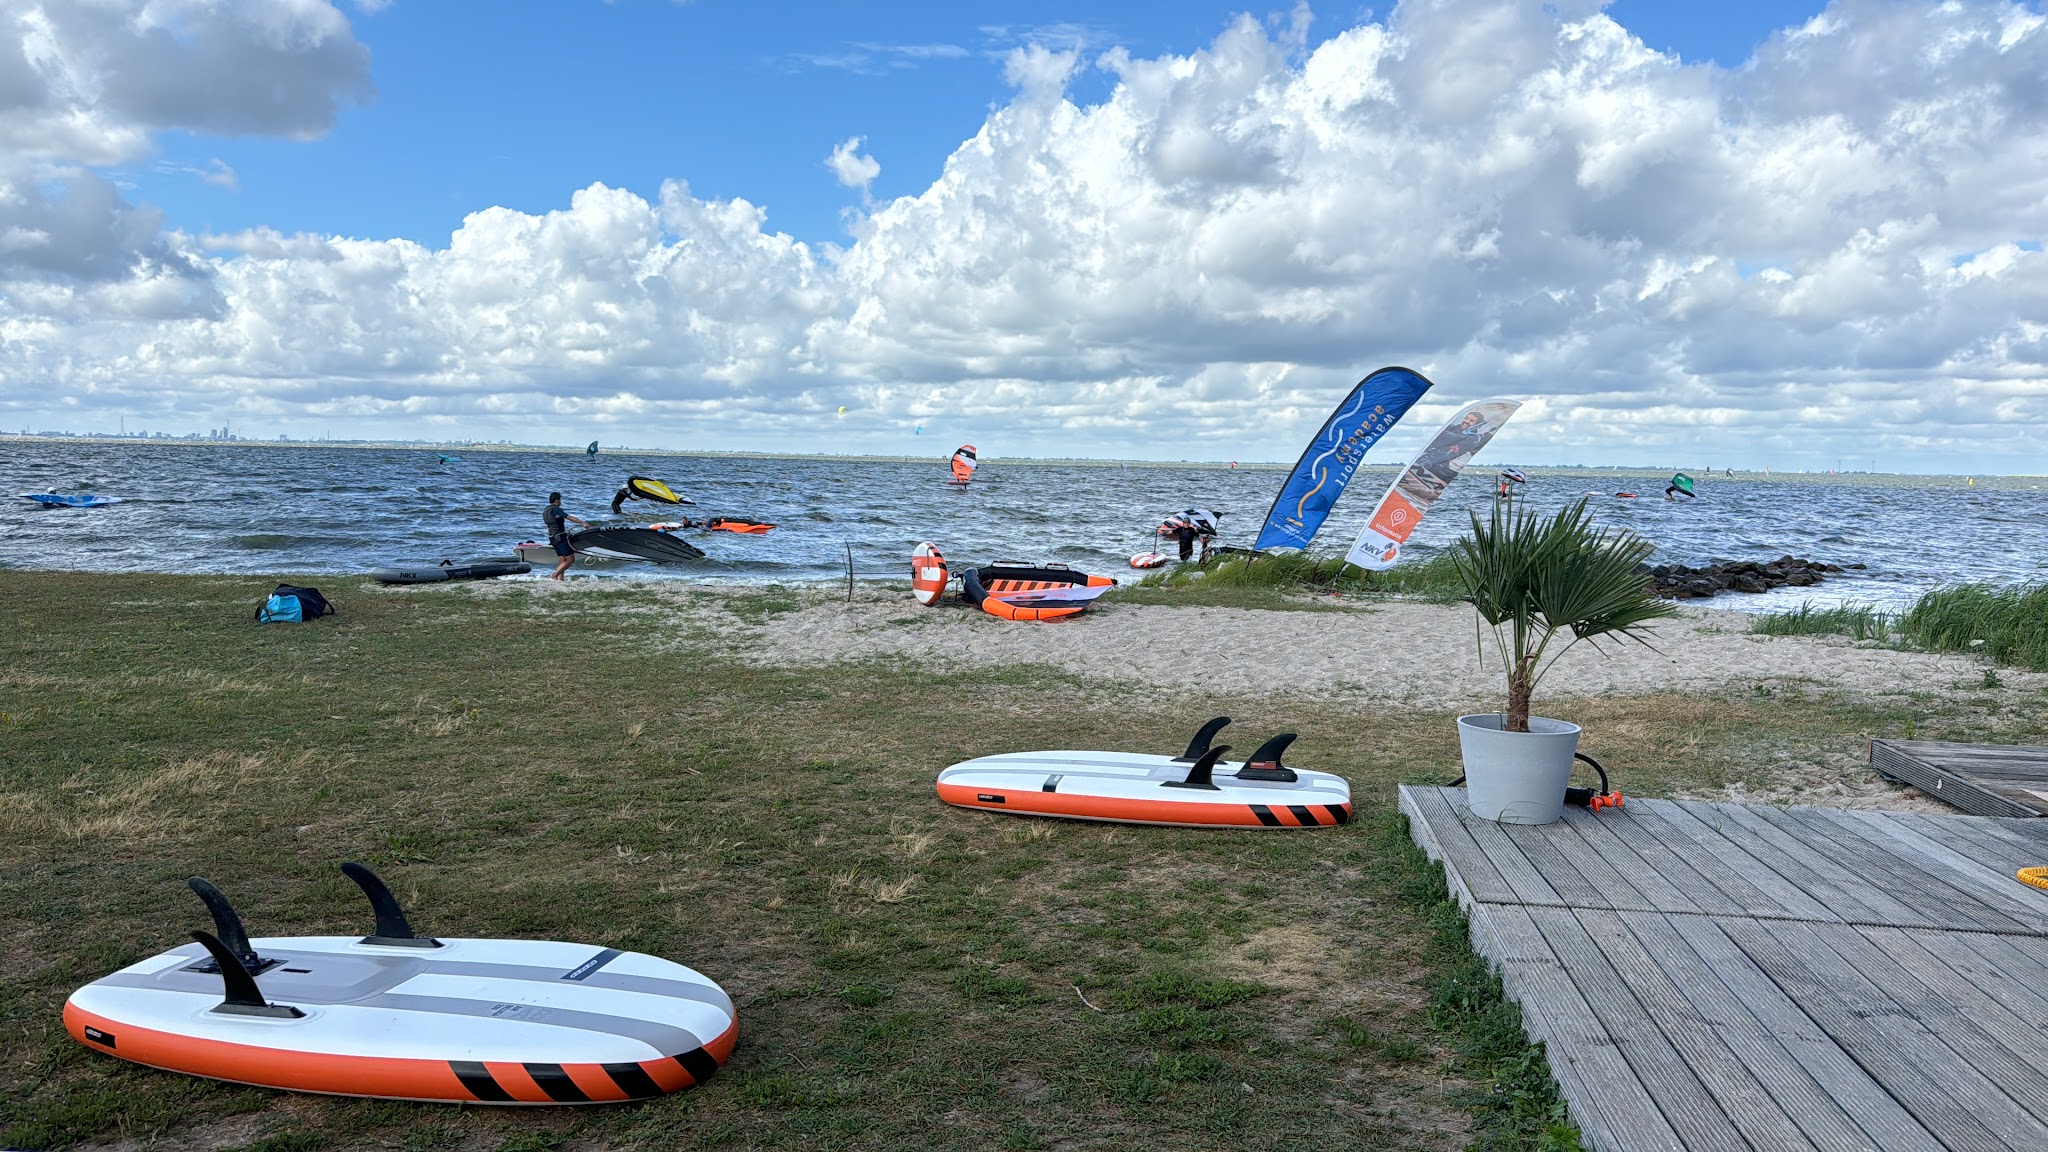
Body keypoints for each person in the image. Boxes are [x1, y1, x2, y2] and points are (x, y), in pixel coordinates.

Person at [544, 492, 587, 580]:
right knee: (571, 559)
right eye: (560, 500)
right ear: (556, 500)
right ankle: (554, 575)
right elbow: (569, 517)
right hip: (559, 537)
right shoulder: (556, 509)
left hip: (552, 538)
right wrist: (582, 523)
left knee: (562, 559)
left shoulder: (546, 510)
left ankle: (561, 579)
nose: (561, 502)